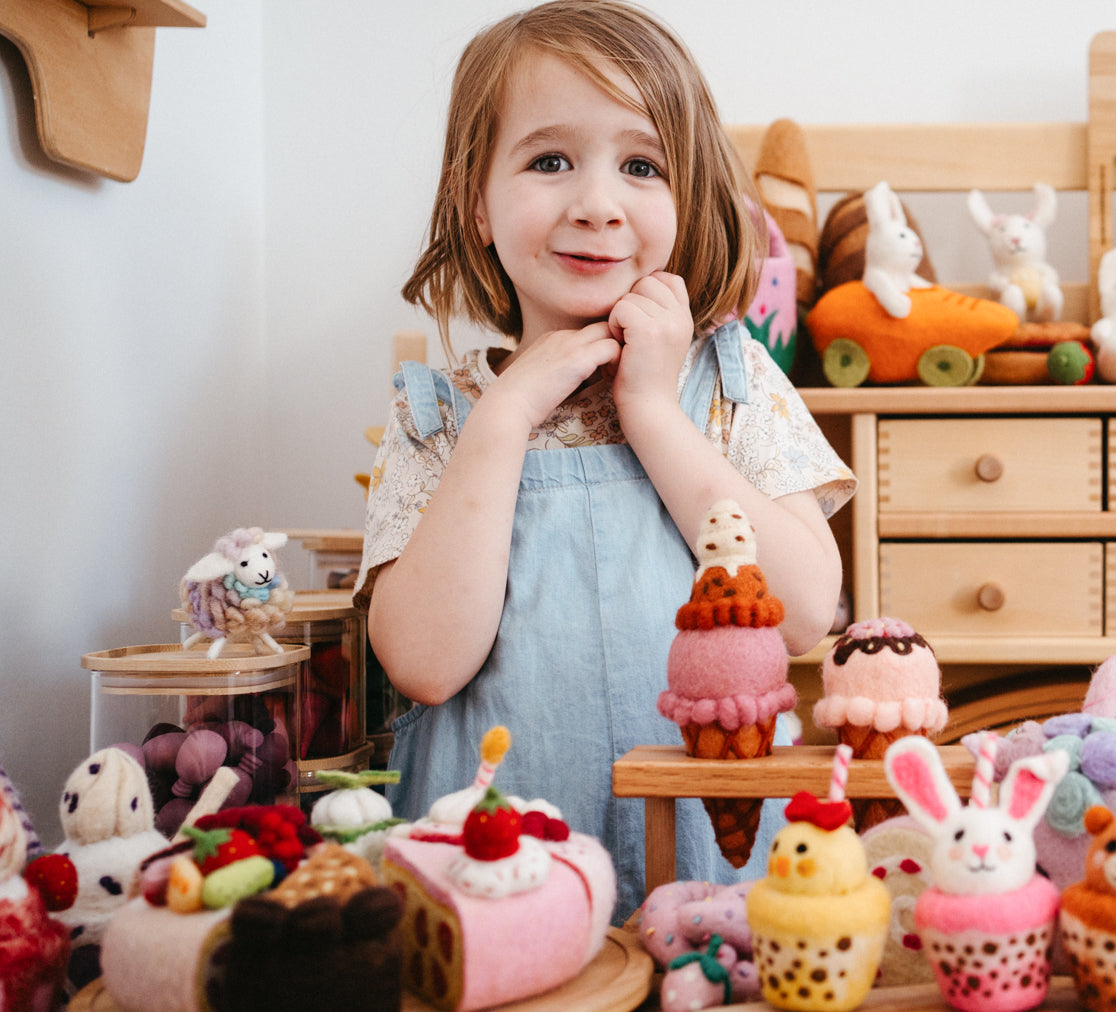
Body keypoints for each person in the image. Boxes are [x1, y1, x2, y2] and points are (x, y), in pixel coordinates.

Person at [353, 0, 854, 916]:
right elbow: (424, 662)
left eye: (640, 165)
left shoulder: (732, 382)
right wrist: (502, 420)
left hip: (720, 869)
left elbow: (806, 614)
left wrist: (655, 413)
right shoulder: (441, 413)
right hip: (500, 883)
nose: (595, 202)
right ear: (477, 197)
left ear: (686, 196)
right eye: (549, 161)